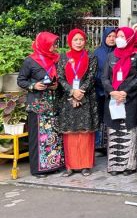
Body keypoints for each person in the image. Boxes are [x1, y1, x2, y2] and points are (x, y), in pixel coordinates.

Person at [17, 32, 64, 178]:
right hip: (37, 104)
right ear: (44, 44)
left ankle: (53, 165)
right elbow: (21, 80)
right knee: (39, 137)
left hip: (53, 103)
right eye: (52, 44)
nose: (54, 47)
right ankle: (38, 169)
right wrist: (34, 85)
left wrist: (56, 85)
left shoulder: (56, 59)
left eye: (55, 44)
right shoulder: (30, 61)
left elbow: (60, 78)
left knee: (53, 134)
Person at [102, 27, 137, 176]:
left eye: (122, 36)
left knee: (130, 130)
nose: (118, 39)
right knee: (114, 129)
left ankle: (129, 166)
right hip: (114, 98)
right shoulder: (111, 56)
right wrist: (112, 92)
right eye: (118, 36)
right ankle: (115, 165)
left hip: (132, 98)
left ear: (130, 38)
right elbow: (104, 77)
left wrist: (125, 92)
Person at [56, 29, 99, 176]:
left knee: (85, 133)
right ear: (70, 41)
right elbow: (60, 77)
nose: (79, 42)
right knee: (70, 134)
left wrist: (80, 92)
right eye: (75, 40)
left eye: (81, 39)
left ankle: (85, 165)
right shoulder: (63, 57)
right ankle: (70, 166)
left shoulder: (91, 57)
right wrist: (72, 91)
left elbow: (91, 77)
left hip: (86, 98)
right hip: (68, 100)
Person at [93, 27, 116, 154]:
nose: (112, 39)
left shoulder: (119, 51)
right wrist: (104, 84)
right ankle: (99, 144)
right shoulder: (97, 53)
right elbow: (94, 72)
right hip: (100, 90)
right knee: (100, 116)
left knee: (112, 116)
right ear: (104, 37)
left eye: (114, 36)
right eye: (109, 36)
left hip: (115, 90)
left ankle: (110, 144)